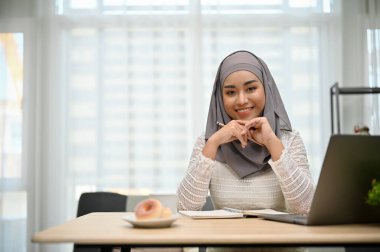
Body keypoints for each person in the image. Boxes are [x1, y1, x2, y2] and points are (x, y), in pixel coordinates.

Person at [177, 50, 315, 218]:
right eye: (230, 92)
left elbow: (306, 208)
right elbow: (185, 207)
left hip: (280, 243)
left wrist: (272, 142)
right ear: (220, 98)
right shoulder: (208, 141)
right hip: (224, 243)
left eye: (251, 88)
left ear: (266, 89)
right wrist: (214, 142)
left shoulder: (289, 139)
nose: (241, 100)